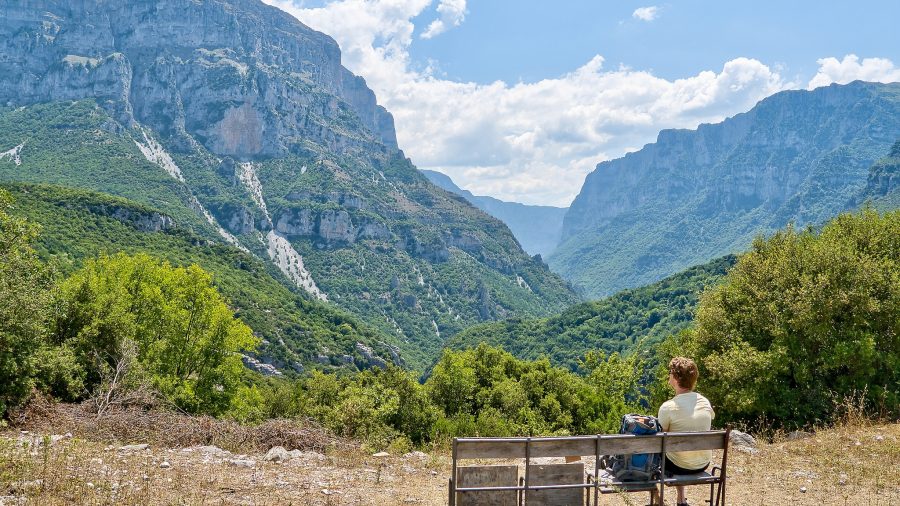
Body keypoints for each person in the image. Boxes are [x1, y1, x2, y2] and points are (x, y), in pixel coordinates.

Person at [655, 357, 715, 506]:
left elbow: (659, 440)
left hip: (678, 466)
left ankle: (657, 500)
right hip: (702, 463)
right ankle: (681, 500)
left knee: (654, 453)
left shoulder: (668, 407)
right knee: (679, 449)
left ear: (675, 378)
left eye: (670, 373)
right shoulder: (705, 402)